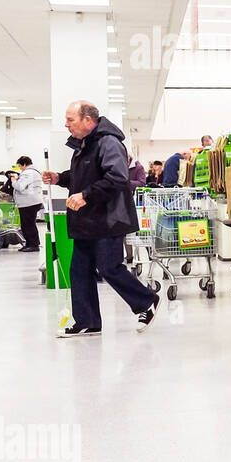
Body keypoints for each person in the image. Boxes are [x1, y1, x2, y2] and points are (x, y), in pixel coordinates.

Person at [41, 102, 159, 337]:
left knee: (108, 266)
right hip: (89, 220)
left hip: (109, 218)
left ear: (88, 120)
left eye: (70, 119)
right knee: (80, 269)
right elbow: (82, 175)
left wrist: (85, 196)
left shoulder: (108, 142)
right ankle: (88, 321)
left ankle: (147, 301)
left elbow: (117, 178)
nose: (66, 124)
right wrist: (59, 178)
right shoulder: (85, 144)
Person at [11, 156, 43, 252]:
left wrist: (14, 181)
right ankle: (30, 244)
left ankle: (33, 245)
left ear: (24, 164)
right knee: (29, 224)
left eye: (20, 166)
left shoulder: (28, 173)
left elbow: (20, 186)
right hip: (31, 201)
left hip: (28, 202)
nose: (20, 168)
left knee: (28, 225)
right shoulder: (34, 172)